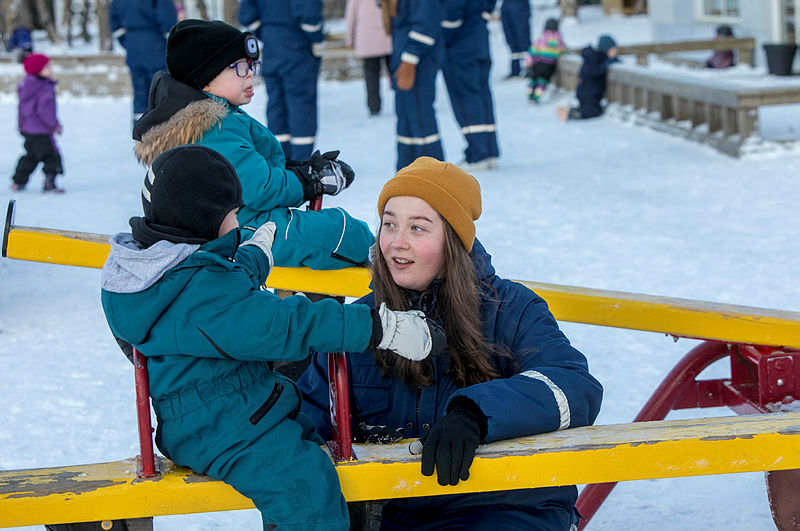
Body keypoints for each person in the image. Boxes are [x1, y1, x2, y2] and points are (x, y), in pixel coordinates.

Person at [100, 145, 444, 531]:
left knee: (311, 440)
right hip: (223, 428)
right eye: (234, 215)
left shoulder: (158, 273)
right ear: (204, 221)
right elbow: (289, 324)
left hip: (223, 409)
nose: (238, 222)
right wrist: (382, 328)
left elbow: (211, 286)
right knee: (306, 489)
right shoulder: (205, 299)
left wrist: (254, 256)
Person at [298, 156, 604, 530]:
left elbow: (573, 387)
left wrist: (476, 415)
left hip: (503, 509)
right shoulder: (359, 325)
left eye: (418, 228)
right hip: (391, 516)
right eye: (389, 224)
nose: (397, 243)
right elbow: (306, 415)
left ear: (453, 238)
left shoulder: (510, 309)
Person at [132, 19, 374, 271]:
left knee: (331, 231)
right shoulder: (212, 126)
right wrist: (308, 181)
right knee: (342, 233)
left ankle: (321, 297)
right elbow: (259, 189)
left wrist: (298, 171)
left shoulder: (215, 116)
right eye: (238, 68)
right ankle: (390, 287)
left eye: (251, 66)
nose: (249, 74)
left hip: (232, 223)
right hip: (233, 232)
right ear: (205, 77)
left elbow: (248, 169)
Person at [238, 0, 323, 161]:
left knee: (276, 104)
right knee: (301, 106)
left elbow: (246, 15)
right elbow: (308, 14)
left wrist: (267, 34)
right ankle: (301, 163)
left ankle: (279, 160)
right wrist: (317, 39)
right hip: (299, 48)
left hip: (271, 50)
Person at [383, 0, 446, 171]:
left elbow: (427, 22)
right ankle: (406, 169)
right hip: (402, 53)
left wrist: (410, 58)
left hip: (419, 60)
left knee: (420, 115)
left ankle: (433, 173)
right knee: (404, 117)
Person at [441, 0, 500, 171]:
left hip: (460, 45)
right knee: (482, 96)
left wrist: (441, 35)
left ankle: (478, 154)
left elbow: (452, 12)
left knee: (466, 98)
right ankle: (489, 151)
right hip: (479, 39)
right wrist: (483, 17)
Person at [109, 0, 177, 121]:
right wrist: (171, 39)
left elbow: (115, 22)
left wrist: (127, 41)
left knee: (139, 89)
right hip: (155, 43)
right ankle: (161, 128)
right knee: (159, 88)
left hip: (133, 45)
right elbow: (167, 18)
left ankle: (140, 130)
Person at [10, 53, 64, 193]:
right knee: (51, 156)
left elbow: (21, 109)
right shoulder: (43, 88)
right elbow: (45, 112)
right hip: (41, 130)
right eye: (47, 67)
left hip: (29, 130)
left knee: (31, 156)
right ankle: (49, 182)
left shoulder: (26, 85)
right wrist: (54, 125)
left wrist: (21, 126)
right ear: (37, 69)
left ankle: (18, 181)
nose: (50, 70)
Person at [556, 34, 619, 121]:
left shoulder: (597, 57)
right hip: (589, 92)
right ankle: (569, 113)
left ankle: (566, 110)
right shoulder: (595, 58)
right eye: (613, 50)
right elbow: (595, 71)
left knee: (589, 109)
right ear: (606, 49)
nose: (615, 52)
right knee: (591, 112)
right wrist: (607, 63)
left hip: (588, 90)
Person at [345, 0, 393, 116]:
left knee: (371, 75)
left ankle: (374, 106)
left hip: (367, 38)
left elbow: (351, 16)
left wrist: (350, 39)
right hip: (388, 34)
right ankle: (403, 101)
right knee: (394, 71)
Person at [526, 17, 567, 103]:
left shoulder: (542, 37)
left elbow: (533, 50)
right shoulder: (558, 39)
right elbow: (563, 49)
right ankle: (537, 96)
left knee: (533, 79)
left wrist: (529, 62)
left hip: (538, 62)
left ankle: (530, 93)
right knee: (543, 81)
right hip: (549, 65)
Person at [500, 0, 531, 78]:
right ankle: (515, 69)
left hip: (519, 6)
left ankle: (528, 68)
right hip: (506, 6)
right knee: (511, 40)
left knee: (522, 38)